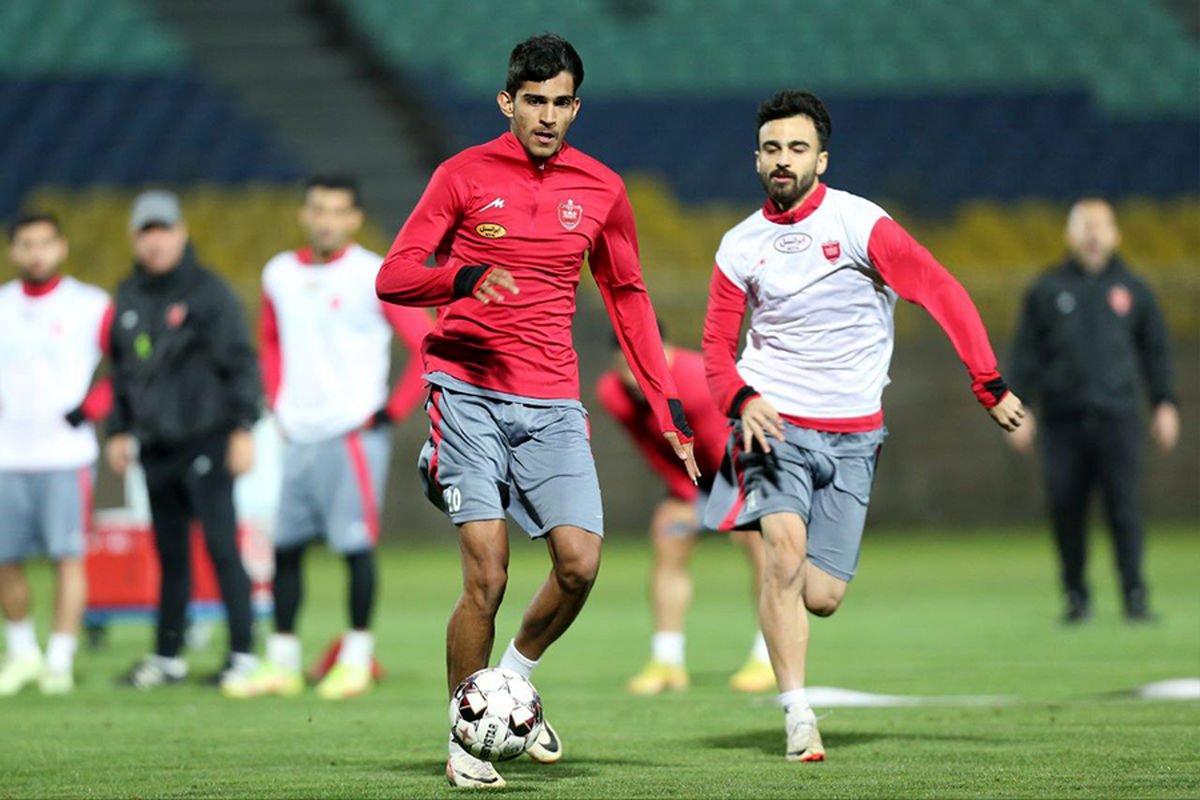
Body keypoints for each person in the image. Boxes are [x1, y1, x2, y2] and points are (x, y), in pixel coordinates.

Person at [376, 34, 698, 789]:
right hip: (466, 388)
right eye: (534, 102)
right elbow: (394, 275)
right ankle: (465, 742)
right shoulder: (462, 174)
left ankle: (510, 686)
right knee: (487, 576)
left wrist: (667, 407)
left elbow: (627, 296)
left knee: (580, 564)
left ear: (576, 107)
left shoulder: (603, 188)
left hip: (551, 398)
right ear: (507, 102)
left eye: (561, 103)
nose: (548, 116)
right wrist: (462, 278)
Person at [701, 90, 1024, 763]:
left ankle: (792, 658)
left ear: (822, 158)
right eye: (771, 148)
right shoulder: (739, 245)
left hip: (854, 433)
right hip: (773, 422)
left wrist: (987, 381)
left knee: (822, 596)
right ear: (756, 159)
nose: (783, 160)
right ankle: (798, 716)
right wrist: (739, 398)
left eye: (797, 148)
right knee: (783, 554)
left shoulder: (860, 224)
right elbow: (715, 350)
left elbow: (940, 289)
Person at [224, 175, 432, 700]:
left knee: (355, 548)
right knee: (286, 549)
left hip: (352, 434)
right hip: (296, 434)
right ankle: (283, 664)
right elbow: (270, 340)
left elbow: (427, 342)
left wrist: (391, 411)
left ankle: (355, 661)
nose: (326, 221)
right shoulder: (280, 273)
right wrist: (278, 402)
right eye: (318, 209)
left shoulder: (375, 274)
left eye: (338, 211)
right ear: (304, 214)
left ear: (355, 219)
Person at [105, 190, 262, 690]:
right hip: (156, 445)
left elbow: (240, 361)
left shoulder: (208, 291)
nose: (155, 242)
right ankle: (168, 656)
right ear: (134, 238)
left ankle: (243, 655)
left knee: (221, 547)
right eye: (146, 232)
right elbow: (121, 369)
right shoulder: (128, 294)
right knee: (169, 555)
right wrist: (118, 428)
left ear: (181, 233)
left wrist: (243, 426)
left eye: (163, 231)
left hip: (205, 438)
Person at [1006, 198, 1178, 623]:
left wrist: (1164, 402)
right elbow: (1025, 354)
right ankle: (1076, 597)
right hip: (1063, 422)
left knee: (1125, 508)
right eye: (1085, 225)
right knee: (1066, 509)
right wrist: (1017, 407)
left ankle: (1134, 596)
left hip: (1118, 418)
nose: (1093, 233)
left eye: (1101, 225)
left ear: (1115, 234)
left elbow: (1155, 351)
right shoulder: (1047, 289)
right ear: (1070, 234)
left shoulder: (1134, 289)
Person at [595, 336, 773, 695]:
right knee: (668, 533)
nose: (632, 377)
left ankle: (767, 656)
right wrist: (685, 494)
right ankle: (667, 661)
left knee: (758, 543)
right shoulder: (613, 393)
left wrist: (736, 507)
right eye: (625, 366)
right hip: (693, 479)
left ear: (664, 353)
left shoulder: (696, 381)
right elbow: (652, 449)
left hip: (742, 467)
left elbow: (727, 446)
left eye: (640, 365)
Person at [0, 213, 112, 696]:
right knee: (5, 559)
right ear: (13, 250)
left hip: (66, 455)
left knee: (68, 558)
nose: (36, 252)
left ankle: (60, 659)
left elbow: (128, 363)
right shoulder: (2, 305)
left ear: (62, 247)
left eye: (44, 242)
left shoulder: (90, 304)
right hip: (7, 454)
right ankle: (23, 652)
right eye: (26, 243)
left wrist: (94, 406)